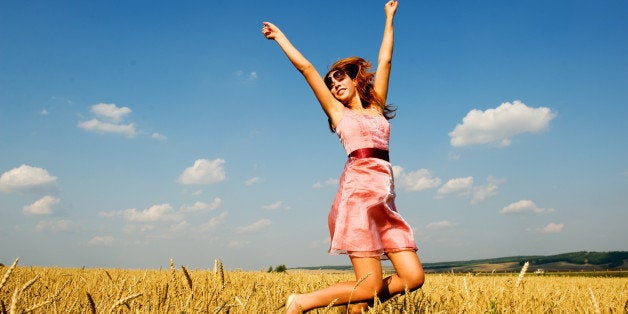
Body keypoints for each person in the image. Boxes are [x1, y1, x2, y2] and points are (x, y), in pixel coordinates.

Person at [262, 1, 424, 312]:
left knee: (414, 276)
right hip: (359, 199)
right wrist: (280, 37)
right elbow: (307, 69)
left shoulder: (376, 109)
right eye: (331, 83)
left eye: (340, 78)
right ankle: (300, 302)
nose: (335, 85)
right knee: (371, 285)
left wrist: (389, 17)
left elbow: (385, 60)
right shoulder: (339, 115)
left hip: (385, 200)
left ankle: (356, 304)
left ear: (355, 80)